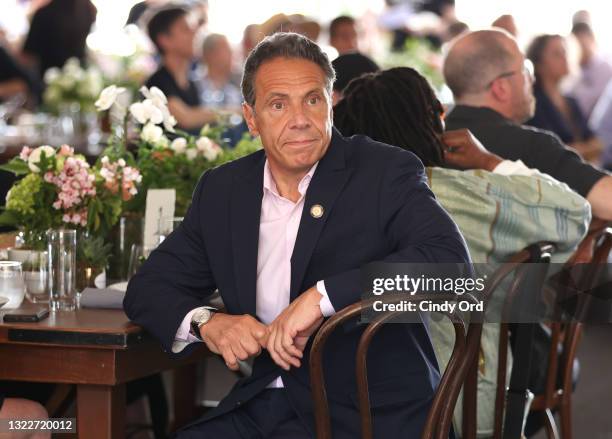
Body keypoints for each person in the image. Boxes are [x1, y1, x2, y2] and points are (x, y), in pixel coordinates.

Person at [125, 32, 470, 438]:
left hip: (371, 416)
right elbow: (148, 288)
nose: (300, 120)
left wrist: (322, 298)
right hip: (262, 405)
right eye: (277, 104)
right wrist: (208, 322)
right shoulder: (226, 190)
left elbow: (451, 268)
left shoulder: (383, 172)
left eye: (312, 99)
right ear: (251, 118)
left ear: (331, 105)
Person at [333, 66, 590, 437]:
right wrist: (489, 161)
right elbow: (573, 212)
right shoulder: (472, 195)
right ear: (435, 119)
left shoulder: (331, 203)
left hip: (347, 412)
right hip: (466, 406)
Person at [443, 29, 612, 221]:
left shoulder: (431, 139)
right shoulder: (531, 148)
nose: (531, 79)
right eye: (525, 69)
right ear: (501, 89)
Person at [525, 34, 602, 163]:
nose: (564, 58)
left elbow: (598, 144)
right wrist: (586, 149)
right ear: (539, 63)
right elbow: (550, 151)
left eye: (564, 52)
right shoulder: (533, 104)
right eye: (557, 54)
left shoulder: (571, 101)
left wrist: (579, 149)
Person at [145, 6, 216, 133]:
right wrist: (234, 112)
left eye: (193, 28)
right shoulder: (157, 82)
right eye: (185, 29)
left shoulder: (191, 84)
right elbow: (186, 118)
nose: (194, 33)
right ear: (164, 40)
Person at [21, 0, 96, 80]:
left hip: (49, 80)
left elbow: (28, 56)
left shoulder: (44, 14)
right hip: (78, 76)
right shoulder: (89, 10)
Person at [570, 21, 612, 119]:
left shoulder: (605, 69)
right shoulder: (572, 71)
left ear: (592, 40)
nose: (579, 51)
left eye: (582, 45)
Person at [195, 33, 242, 109]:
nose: (231, 53)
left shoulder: (237, 86)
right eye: (226, 49)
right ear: (210, 54)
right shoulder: (195, 86)